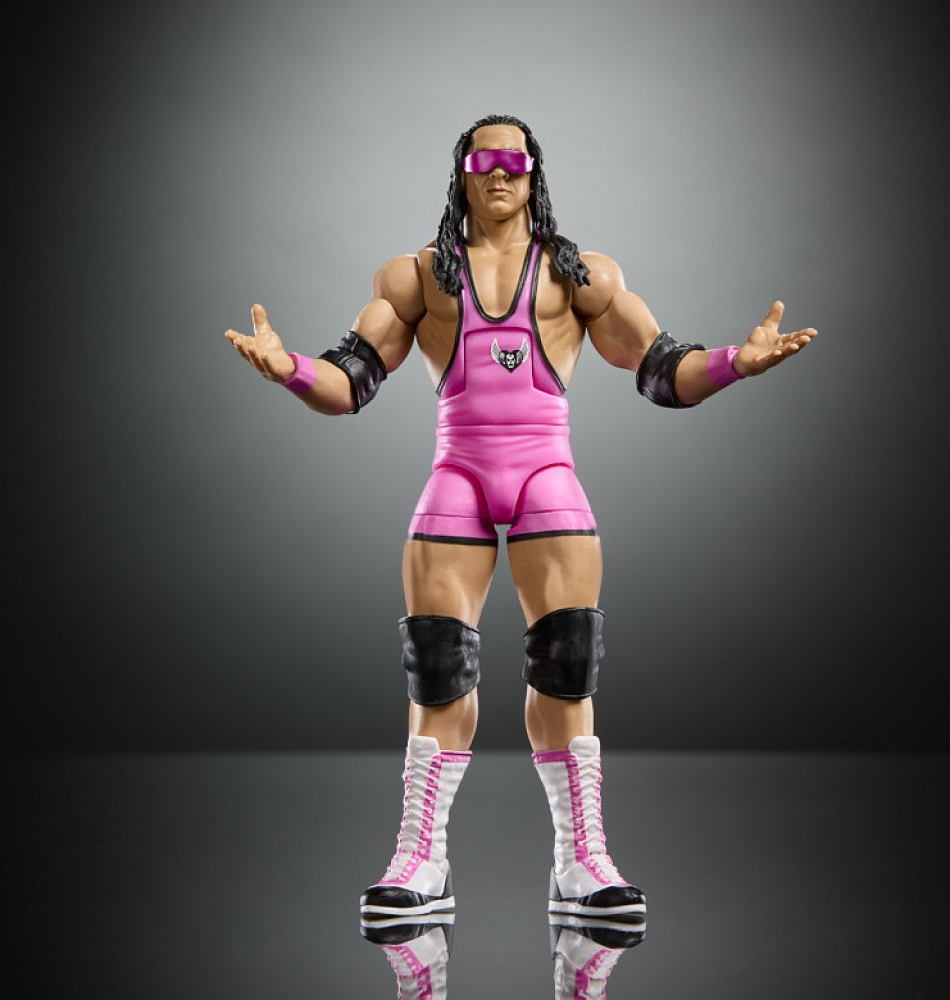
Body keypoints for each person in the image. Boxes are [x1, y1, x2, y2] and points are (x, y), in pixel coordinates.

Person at [224, 113, 816, 922]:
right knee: (437, 670)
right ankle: (420, 860)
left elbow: (659, 368)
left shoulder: (580, 275)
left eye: (513, 159)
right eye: (484, 160)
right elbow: (349, 382)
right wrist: (289, 368)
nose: (499, 172)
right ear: (462, 173)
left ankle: (583, 861)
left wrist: (733, 365)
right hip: (459, 475)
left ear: (534, 171)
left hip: (546, 477)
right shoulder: (418, 276)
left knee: (567, 665)